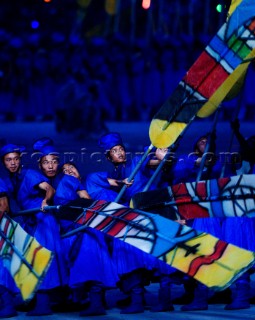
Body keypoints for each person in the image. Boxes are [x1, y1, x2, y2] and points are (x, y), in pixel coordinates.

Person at [0, 142, 69, 316]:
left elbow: (49, 188)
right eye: (9, 160)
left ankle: (43, 304)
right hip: (29, 220)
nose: (13, 163)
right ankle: (35, 300)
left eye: (16, 159)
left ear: (20, 159)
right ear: (4, 163)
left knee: (41, 259)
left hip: (43, 220)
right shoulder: (10, 180)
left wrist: (45, 201)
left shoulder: (30, 174)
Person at [171, 133, 224, 311]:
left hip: (208, 215)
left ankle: (202, 297)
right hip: (190, 213)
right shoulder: (188, 161)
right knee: (189, 254)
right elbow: (178, 173)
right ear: (195, 146)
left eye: (208, 142)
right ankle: (192, 292)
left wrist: (204, 159)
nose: (205, 143)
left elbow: (211, 166)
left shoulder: (217, 162)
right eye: (201, 141)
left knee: (203, 253)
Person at [219, 119, 255, 310]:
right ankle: (240, 293)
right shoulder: (239, 163)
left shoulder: (250, 163)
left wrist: (237, 133)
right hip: (235, 215)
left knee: (241, 252)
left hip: (243, 217)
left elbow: (249, 151)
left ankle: (242, 296)